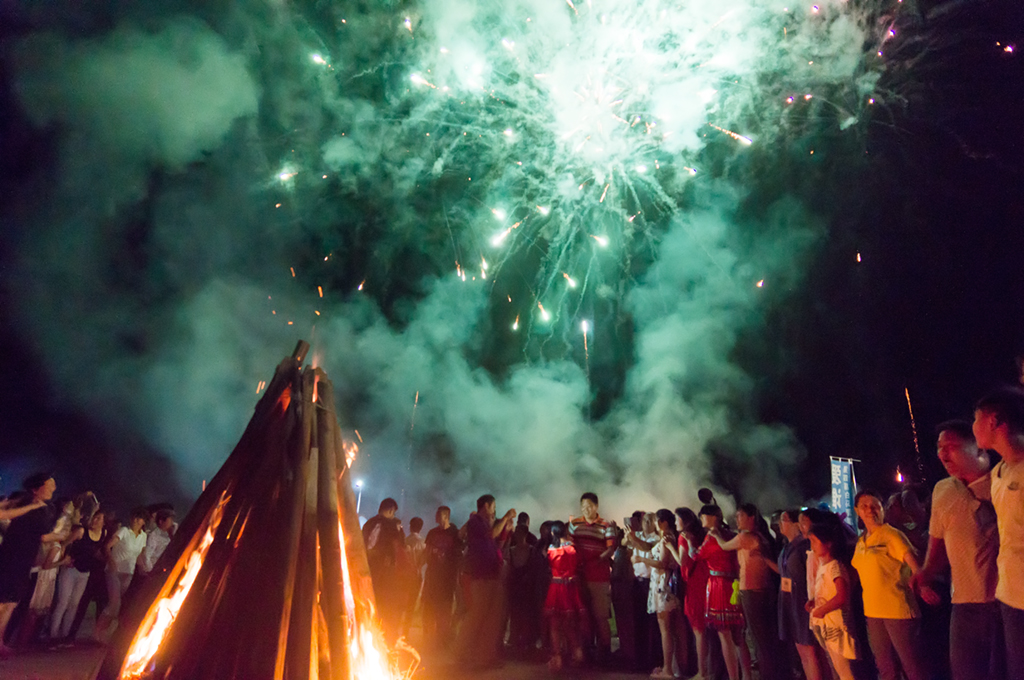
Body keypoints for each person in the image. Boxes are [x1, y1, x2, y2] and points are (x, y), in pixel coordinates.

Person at [910, 420, 1002, 680]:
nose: (942, 454)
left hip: (1005, 603)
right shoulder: (942, 490)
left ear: (979, 449)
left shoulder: (1003, 483)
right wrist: (926, 572)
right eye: (940, 448)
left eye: (951, 447)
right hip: (962, 605)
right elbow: (938, 543)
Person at [851, 490, 930, 680]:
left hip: (897, 611)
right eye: (864, 506)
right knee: (884, 666)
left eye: (875, 506)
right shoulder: (861, 541)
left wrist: (924, 586)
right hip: (873, 613)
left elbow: (915, 565)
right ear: (857, 511)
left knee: (912, 665)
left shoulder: (892, 535)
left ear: (882, 509)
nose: (870, 510)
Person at [974, 387, 1024, 680]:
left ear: (993, 421)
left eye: (975, 419)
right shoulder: (997, 474)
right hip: (1008, 596)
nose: (973, 427)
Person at [713, 503, 781, 680]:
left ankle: (768, 675)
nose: (737, 519)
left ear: (751, 518)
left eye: (740, 516)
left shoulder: (745, 537)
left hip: (751, 590)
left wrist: (715, 534)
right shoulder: (762, 536)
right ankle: (773, 671)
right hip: (765, 588)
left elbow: (724, 546)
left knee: (758, 637)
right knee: (766, 635)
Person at [0, 473, 59, 655]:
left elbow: (40, 535)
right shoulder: (26, 503)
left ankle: (0, 641)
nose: (53, 488)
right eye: (49, 485)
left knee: (11, 603)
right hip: (10, 558)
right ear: (36, 488)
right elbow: (4, 515)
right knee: (3, 601)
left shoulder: (44, 509)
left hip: (24, 560)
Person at [454, 494, 516, 669]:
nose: (495, 510)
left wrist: (505, 528)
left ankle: (485, 657)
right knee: (477, 616)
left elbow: (495, 544)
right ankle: (460, 654)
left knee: (492, 619)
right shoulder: (475, 521)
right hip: (481, 576)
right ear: (486, 506)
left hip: (492, 575)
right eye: (493, 506)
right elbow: (491, 535)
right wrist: (505, 518)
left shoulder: (484, 524)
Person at [697, 504, 752, 680]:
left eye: (704, 515)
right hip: (734, 583)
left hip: (719, 585)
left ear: (713, 517)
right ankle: (747, 676)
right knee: (738, 636)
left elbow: (698, 556)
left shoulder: (712, 537)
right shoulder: (731, 534)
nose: (701, 519)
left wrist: (689, 545)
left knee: (725, 634)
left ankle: (734, 677)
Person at [633, 509, 690, 680]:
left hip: (663, 586)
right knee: (673, 629)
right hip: (665, 586)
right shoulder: (668, 537)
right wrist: (634, 539)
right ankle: (677, 667)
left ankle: (668, 670)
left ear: (663, 522)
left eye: (656, 520)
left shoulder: (667, 537)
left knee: (665, 629)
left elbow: (662, 563)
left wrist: (642, 560)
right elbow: (651, 549)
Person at [776, 509, 827, 680]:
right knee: (802, 650)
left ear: (796, 525)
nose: (779, 524)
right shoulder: (787, 547)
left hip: (803, 602)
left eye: (783, 520)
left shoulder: (806, 547)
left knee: (810, 650)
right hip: (790, 602)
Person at [807, 520, 859, 680]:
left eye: (814, 541)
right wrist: (815, 602)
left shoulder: (835, 566)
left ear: (828, 543)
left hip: (837, 626)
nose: (812, 546)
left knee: (844, 671)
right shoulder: (824, 565)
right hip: (828, 626)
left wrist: (821, 610)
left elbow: (841, 596)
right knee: (836, 668)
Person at [569, 492, 617, 661]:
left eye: (589, 506)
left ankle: (605, 652)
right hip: (580, 577)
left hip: (599, 577)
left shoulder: (605, 526)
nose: (586, 509)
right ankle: (586, 651)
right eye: (583, 507)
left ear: (596, 506)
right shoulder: (574, 524)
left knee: (600, 615)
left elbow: (610, 549)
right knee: (583, 615)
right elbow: (570, 546)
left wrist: (596, 561)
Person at [50, 511, 105, 643]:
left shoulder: (103, 534)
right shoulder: (81, 531)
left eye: (98, 519)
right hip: (71, 569)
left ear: (103, 522)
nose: (95, 520)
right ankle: (53, 634)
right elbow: (65, 544)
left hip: (85, 573)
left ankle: (65, 634)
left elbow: (96, 551)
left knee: (74, 604)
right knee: (63, 602)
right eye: (94, 517)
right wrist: (64, 558)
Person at [95, 506, 148, 641]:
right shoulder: (124, 531)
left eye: (139, 518)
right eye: (134, 517)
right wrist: (111, 560)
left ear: (143, 521)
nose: (136, 520)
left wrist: (143, 568)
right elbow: (107, 546)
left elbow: (140, 555)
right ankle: (98, 632)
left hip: (128, 572)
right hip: (114, 570)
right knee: (115, 602)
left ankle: (107, 632)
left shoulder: (143, 536)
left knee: (120, 604)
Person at [543, 520, 586, 670]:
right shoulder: (572, 548)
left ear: (553, 532)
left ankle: (557, 658)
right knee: (569, 624)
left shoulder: (551, 549)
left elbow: (550, 565)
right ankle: (577, 652)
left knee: (554, 625)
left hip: (556, 586)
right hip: (570, 587)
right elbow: (578, 564)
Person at [675, 507, 712, 680]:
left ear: (684, 520)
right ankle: (708, 669)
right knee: (707, 629)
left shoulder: (684, 537)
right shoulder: (702, 534)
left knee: (698, 630)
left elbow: (682, 560)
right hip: (705, 582)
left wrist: (669, 546)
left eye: (677, 519)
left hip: (694, 584)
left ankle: (702, 671)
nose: (675, 522)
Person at [362, 498, 405, 643]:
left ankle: (368, 636)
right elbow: (399, 547)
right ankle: (384, 639)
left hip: (366, 570)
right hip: (385, 575)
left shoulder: (368, 524)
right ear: (391, 510)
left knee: (368, 604)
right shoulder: (392, 525)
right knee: (385, 608)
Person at [626, 511, 660, 672]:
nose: (646, 523)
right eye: (644, 520)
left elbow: (647, 547)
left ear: (655, 523)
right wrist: (628, 537)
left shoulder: (656, 538)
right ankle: (639, 661)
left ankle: (654, 660)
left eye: (649, 520)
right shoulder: (637, 534)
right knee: (638, 622)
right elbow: (626, 543)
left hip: (649, 583)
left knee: (652, 623)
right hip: (637, 582)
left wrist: (633, 539)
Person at [423, 506, 461, 650]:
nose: (435, 517)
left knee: (444, 609)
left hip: (447, 579)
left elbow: (458, 555)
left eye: (438, 515)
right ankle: (430, 640)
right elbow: (427, 553)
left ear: (445, 516)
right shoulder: (432, 533)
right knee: (430, 608)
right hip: (432, 576)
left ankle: (443, 640)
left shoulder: (454, 533)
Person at [140, 509, 175, 576]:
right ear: (161, 521)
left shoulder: (170, 534)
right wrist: (151, 571)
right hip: (156, 572)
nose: (172, 522)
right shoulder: (154, 536)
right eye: (170, 520)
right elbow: (147, 556)